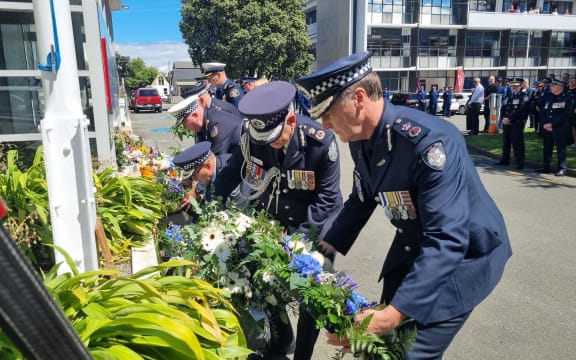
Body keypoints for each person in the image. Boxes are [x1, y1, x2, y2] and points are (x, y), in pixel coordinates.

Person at [295, 51, 512, 359]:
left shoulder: (427, 143)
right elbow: (361, 197)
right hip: (416, 243)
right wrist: (325, 247)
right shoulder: (361, 138)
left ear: (358, 98)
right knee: (376, 346)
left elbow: (447, 238)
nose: (325, 125)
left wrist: (394, 315)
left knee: (405, 352)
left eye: (328, 113)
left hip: (462, 258)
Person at [214, 81, 344, 360]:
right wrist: (211, 205)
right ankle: (282, 341)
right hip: (272, 225)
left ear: (292, 120)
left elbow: (328, 201)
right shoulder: (253, 138)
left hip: (315, 230)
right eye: (263, 140)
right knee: (267, 284)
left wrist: (297, 243)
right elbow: (232, 173)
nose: (268, 145)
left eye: (274, 138)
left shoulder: (320, 142)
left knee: (310, 299)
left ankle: (303, 355)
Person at [167, 92, 242, 166]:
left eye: (185, 124)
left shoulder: (216, 124)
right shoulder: (203, 123)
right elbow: (200, 150)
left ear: (195, 115)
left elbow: (215, 163)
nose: (185, 128)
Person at [535, 79, 575, 176]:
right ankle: (546, 167)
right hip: (547, 127)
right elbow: (543, 111)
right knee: (547, 148)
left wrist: (552, 124)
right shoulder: (549, 97)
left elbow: (566, 114)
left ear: (559, 86)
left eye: (553, 85)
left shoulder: (568, 97)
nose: (550, 87)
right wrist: (544, 123)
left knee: (561, 148)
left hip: (559, 128)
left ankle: (562, 168)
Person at [172, 141, 228, 206]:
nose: (195, 180)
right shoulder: (212, 171)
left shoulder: (229, 173)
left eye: (195, 175)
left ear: (207, 166)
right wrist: (197, 191)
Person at [494, 78, 531, 169]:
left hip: (516, 123)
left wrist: (509, 119)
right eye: (512, 86)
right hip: (507, 123)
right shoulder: (510, 96)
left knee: (517, 144)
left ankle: (520, 163)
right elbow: (504, 108)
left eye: (516, 86)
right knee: (506, 143)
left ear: (520, 86)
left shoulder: (523, 96)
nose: (513, 87)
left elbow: (520, 110)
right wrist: (503, 118)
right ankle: (505, 160)